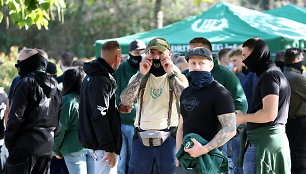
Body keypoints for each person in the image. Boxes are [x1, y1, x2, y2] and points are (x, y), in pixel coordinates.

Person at [120, 37, 188, 174]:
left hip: (169, 136)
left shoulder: (178, 76)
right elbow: (126, 101)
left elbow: (185, 100)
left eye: (160, 53)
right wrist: (141, 75)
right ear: (147, 54)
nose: (156, 57)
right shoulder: (139, 75)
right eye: (152, 53)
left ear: (169, 54)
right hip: (141, 136)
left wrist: (170, 73)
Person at [176, 47, 236, 173]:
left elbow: (230, 129)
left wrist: (204, 149)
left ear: (211, 65)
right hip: (187, 159)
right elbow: (181, 126)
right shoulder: (186, 92)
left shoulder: (220, 93)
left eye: (201, 63)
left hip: (210, 160)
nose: (197, 67)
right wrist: (179, 153)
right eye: (193, 63)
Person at [236, 37, 291, 174]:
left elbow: (269, 114)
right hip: (270, 141)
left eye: (245, 55)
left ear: (256, 54)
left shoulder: (269, 76)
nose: (243, 60)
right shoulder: (273, 74)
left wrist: (243, 118)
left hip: (264, 144)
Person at [5, 49, 62, 174]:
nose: (17, 66)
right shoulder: (56, 86)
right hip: (46, 148)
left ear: (28, 63)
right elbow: (58, 123)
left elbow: (15, 118)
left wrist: (9, 143)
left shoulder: (26, 83)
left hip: (24, 148)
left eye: (19, 63)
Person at [79, 41, 130, 174]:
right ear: (117, 58)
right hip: (101, 145)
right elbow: (98, 116)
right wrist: (109, 149)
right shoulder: (100, 79)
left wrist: (117, 108)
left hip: (95, 142)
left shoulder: (92, 75)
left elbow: (98, 108)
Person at [54, 67, 94, 174]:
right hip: (93, 145)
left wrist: (56, 150)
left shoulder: (67, 101)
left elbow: (60, 129)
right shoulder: (92, 98)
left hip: (73, 147)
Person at [115, 40, 146, 174]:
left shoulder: (148, 69)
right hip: (122, 121)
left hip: (140, 122)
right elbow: (115, 92)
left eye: (142, 52)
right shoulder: (121, 68)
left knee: (135, 160)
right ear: (129, 53)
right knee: (121, 162)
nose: (139, 55)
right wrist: (118, 107)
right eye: (136, 52)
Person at [283, 48, 306, 174]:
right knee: (299, 154)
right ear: (296, 60)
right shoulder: (297, 78)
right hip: (297, 121)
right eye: (301, 58)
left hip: (285, 121)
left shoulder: (281, 74)